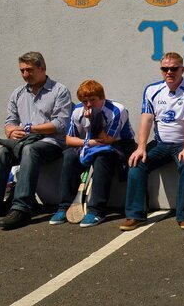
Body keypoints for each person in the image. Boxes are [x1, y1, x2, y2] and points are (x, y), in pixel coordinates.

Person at [0, 52, 72, 232]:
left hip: (51, 143)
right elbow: (9, 122)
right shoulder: (18, 93)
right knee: (3, 152)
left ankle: (21, 208)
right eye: (22, 71)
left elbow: (60, 124)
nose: (25, 74)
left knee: (30, 150)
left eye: (29, 70)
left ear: (42, 69)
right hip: (24, 142)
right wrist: (11, 131)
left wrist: (29, 129)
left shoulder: (59, 90)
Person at [122, 52, 184, 231]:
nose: (169, 72)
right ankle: (135, 215)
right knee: (136, 163)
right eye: (165, 69)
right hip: (160, 143)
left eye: (174, 68)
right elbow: (147, 119)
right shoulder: (152, 90)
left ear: (182, 69)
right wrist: (141, 147)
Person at [52, 80, 135, 227]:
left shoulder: (117, 110)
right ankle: (64, 206)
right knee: (69, 155)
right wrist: (87, 143)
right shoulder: (78, 110)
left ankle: (96, 210)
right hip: (91, 143)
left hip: (120, 144)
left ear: (102, 98)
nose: (88, 104)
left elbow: (107, 140)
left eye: (93, 100)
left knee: (102, 157)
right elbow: (69, 139)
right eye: (85, 101)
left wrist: (95, 119)